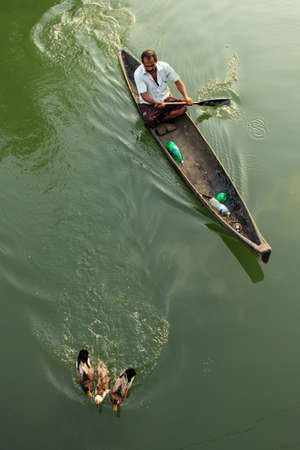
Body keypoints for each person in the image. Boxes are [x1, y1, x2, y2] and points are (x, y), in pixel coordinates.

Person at [134, 49, 193, 128]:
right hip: (149, 103)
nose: (149, 69)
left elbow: (178, 82)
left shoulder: (164, 66)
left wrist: (186, 97)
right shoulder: (138, 74)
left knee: (184, 107)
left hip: (166, 98)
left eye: (152, 65)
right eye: (146, 66)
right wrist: (156, 102)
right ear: (142, 63)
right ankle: (166, 116)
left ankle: (160, 119)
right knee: (149, 121)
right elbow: (144, 95)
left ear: (156, 62)